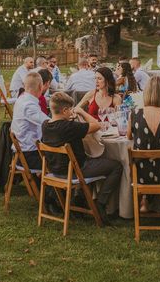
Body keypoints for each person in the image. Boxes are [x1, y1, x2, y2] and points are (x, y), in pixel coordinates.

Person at [41, 91, 122, 224]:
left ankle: (80, 199)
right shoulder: (69, 127)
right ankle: (100, 203)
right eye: (70, 109)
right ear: (65, 110)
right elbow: (97, 125)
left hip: (54, 171)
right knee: (116, 166)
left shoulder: (45, 125)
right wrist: (82, 112)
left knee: (94, 161)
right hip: (75, 171)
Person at [127, 76, 160, 214]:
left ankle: (144, 200)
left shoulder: (135, 114)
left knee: (144, 160)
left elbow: (128, 136)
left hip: (142, 174)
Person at [10, 72, 50, 169]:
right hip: (30, 155)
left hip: (24, 150)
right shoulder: (29, 105)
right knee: (65, 158)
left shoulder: (22, 98)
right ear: (41, 86)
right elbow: (49, 124)